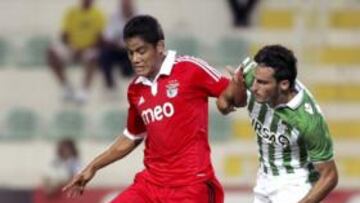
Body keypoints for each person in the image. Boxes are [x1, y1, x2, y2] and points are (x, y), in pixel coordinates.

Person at [63, 15, 246, 203]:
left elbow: (235, 98)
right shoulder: (135, 88)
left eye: (141, 51)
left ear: (159, 47)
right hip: (150, 185)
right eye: (130, 52)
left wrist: (239, 85)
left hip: (191, 186)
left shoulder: (189, 69)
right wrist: (93, 167)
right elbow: (132, 136)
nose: (135, 59)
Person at [217, 45, 338, 203]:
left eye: (262, 83)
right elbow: (224, 104)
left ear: (284, 85)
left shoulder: (308, 119)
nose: (254, 87)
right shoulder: (251, 73)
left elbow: (330, 176)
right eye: (254, 80)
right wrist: (237, 91)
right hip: (263, 178)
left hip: (295, 183)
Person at [47, 0, 106, 104]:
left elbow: (99, 39)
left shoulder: (98, 14)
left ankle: (84, 90)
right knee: (51, 52)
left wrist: (84, 48)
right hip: (72, 48)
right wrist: (72, 47)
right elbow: (64, 35)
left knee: (94, 57)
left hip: (88, 49)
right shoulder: (71, 13)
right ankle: (66, 86)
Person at [99, 0, 135, 94]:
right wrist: (117, 44)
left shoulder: (140, 17)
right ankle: (110, 84)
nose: (126, 8)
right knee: (104, 54)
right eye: (124, 6)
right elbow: (107, 37)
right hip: (117, 49)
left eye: (128, 5)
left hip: (133, 50)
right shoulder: (114, 17)